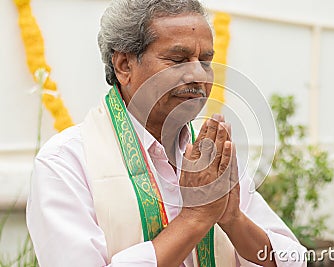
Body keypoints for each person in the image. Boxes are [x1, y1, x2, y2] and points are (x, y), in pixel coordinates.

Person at [26, 0, 307, 266]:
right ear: (124, 66)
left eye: (205, 61)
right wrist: (194, 219)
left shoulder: (209, 151)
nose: (199, 75)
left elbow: (293, 259)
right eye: (178, 60)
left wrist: (233, 219)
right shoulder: (65, 162)